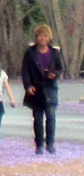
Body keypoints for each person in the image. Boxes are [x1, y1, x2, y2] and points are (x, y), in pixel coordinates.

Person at [21, 25, 67, 155]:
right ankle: (39, 145)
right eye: (40, 36)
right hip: (36, 89)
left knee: (51, 117)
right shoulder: (30, 52)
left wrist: (55, 75)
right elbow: (25, 71)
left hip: (50, 88)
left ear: (49, 37)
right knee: (38, 118)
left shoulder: (54, 52)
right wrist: (28, 86)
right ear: (36, 37)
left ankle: (50, 144)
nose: (43, 38)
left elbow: (59, 69)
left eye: (45, 36)